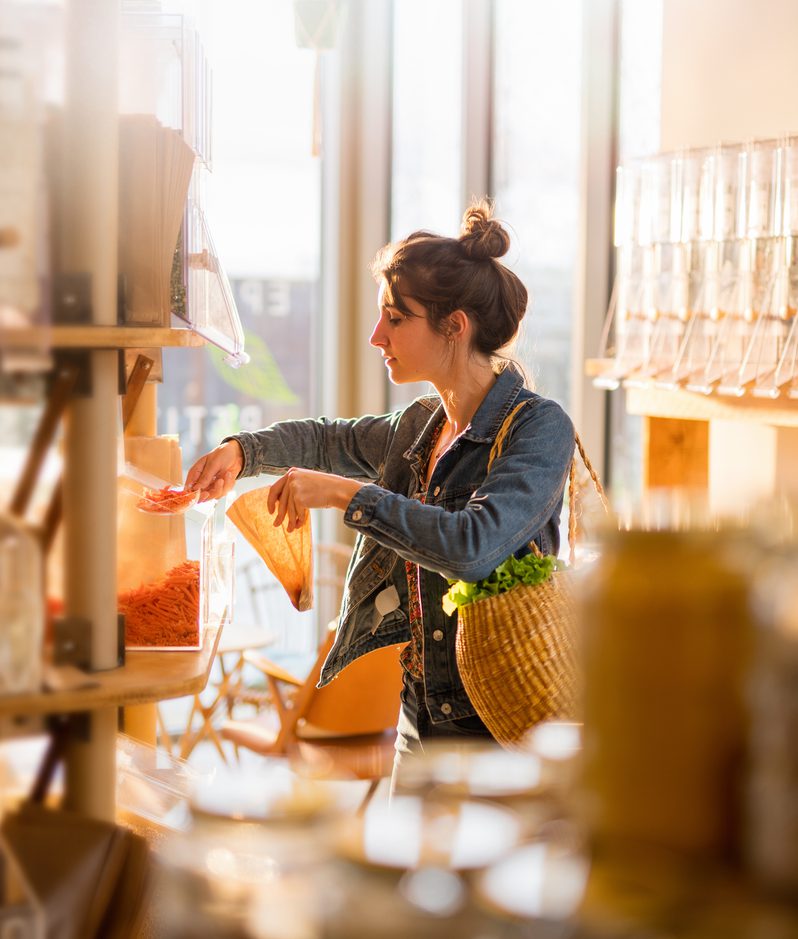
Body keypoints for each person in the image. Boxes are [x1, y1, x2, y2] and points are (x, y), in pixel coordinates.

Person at [185, 200, 575, 779]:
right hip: (419, 719)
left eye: (395, 318)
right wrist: (242, 452)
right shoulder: (421, 426)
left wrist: (345, 496)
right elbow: (325, 439)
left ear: (454, 326)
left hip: (499, 732)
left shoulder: (539, 428)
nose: (376, 336)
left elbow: (472, 545)